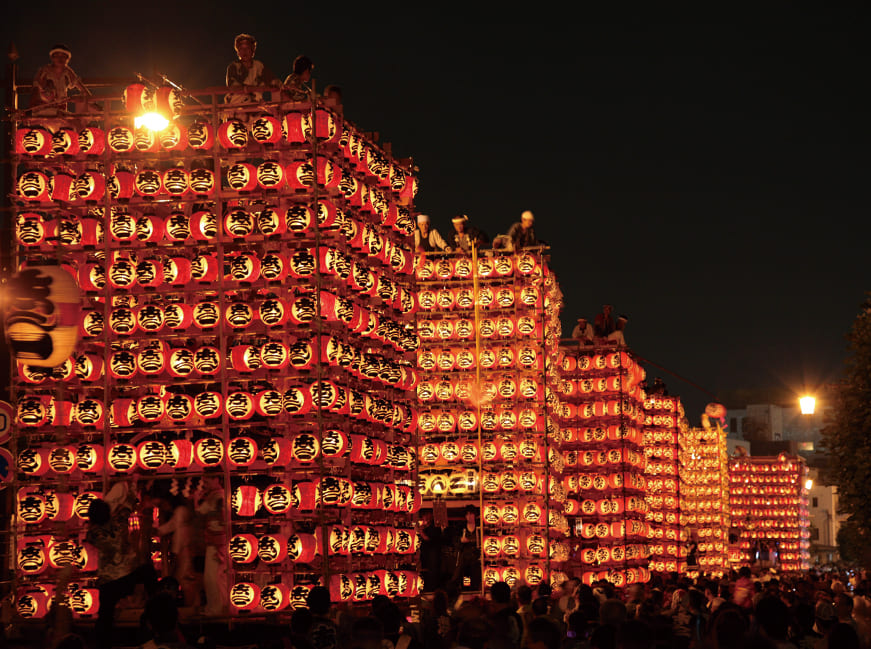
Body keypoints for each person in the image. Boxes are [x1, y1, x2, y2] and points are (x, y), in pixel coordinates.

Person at [86, 482, 157, 649]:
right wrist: (134, 484)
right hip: (127, 576)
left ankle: (102, 644)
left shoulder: (93, 534)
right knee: (147, 572)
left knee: (105, 615)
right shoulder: (118, 521)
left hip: (109, 581)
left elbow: (97, 539)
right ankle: (154, 604)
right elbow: (128, 505)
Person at [195, 475, 228, 616]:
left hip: (216, 542)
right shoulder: (221, 495)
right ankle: (221, 606)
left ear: (217, 479)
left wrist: (196, 499)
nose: (205, 481)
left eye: (208, 478)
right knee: (219, 577)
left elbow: (200, 512)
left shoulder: (216, 496)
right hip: (220, 541)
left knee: (211, 577)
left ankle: (215, 608)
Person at [31, 45, 89, 112]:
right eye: (57, 56)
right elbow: (35, 88)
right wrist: (33, 108)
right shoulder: (45, 71)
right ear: (52, 58)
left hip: (62, 107)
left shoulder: (67, 72)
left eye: (63, 56)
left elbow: (81, 87)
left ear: (68, 59)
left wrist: (91, 101)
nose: (60, 58)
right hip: (46, 107)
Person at [225, 33, 278, 103]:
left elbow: (273, 80)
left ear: (253, 51)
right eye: (241, 48)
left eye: (247, 48)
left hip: (256, 103)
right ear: (238, 52)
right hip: (236, 103)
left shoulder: (259, 66)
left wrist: (282, 85)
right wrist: (251, 89)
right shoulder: (233, 67)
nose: (244, 51)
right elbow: (233, 87)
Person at [452, 505, 480, 591]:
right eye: (467, 514)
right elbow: (455, 539)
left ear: (475, 515)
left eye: (471, 514)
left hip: (476, 555)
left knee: (475, 575)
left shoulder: (479, 526)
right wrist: (461, 540)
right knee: (460, 573)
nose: (469, 516)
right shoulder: (461, 527)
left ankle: (475, 590)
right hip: (464, 554)